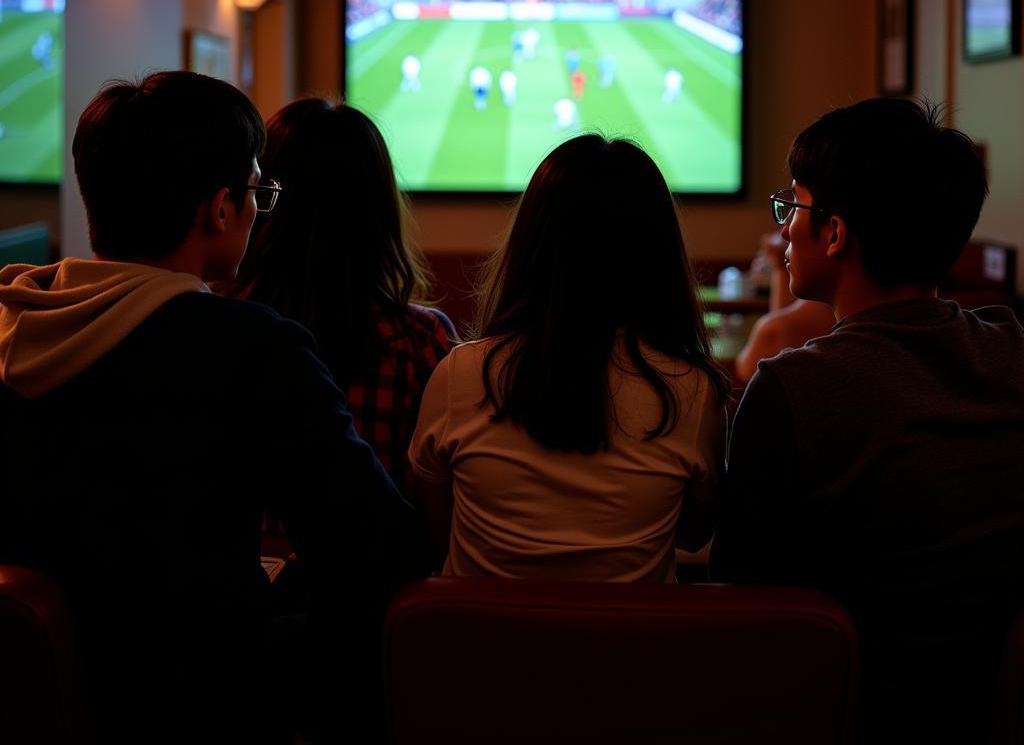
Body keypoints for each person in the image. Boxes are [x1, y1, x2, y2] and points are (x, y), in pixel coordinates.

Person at [0, 72, 421, 745]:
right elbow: (377, 547)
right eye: (257, 191)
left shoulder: (10, 322)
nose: (259, 208)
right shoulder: (250, 350)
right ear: (220, 209)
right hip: (199, 709)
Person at [711, 98, 1024, 744]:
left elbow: (742, 599)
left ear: (833, 233)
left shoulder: (791, 387)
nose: (785, 229)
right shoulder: (1010, 349)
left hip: (843, 707)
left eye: (793, 207)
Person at [409, 135, 730, 582]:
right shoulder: (693, 392)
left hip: (482, 650)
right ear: (658, 254)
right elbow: (693, 535)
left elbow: (438, 532)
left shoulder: (461, 373)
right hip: (634, 650)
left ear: (532, 244)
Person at [227, 97, 453, 494]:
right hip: (376, 556)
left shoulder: (216, 322)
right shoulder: (419, 341)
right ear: (379, 206)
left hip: (242, 558)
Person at [733, 230, 834, 382]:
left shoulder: (777, 329)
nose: (785, 229)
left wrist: (780, 265)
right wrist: (780, 266)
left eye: (796, 211)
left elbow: (745, 370)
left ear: (835, 234)